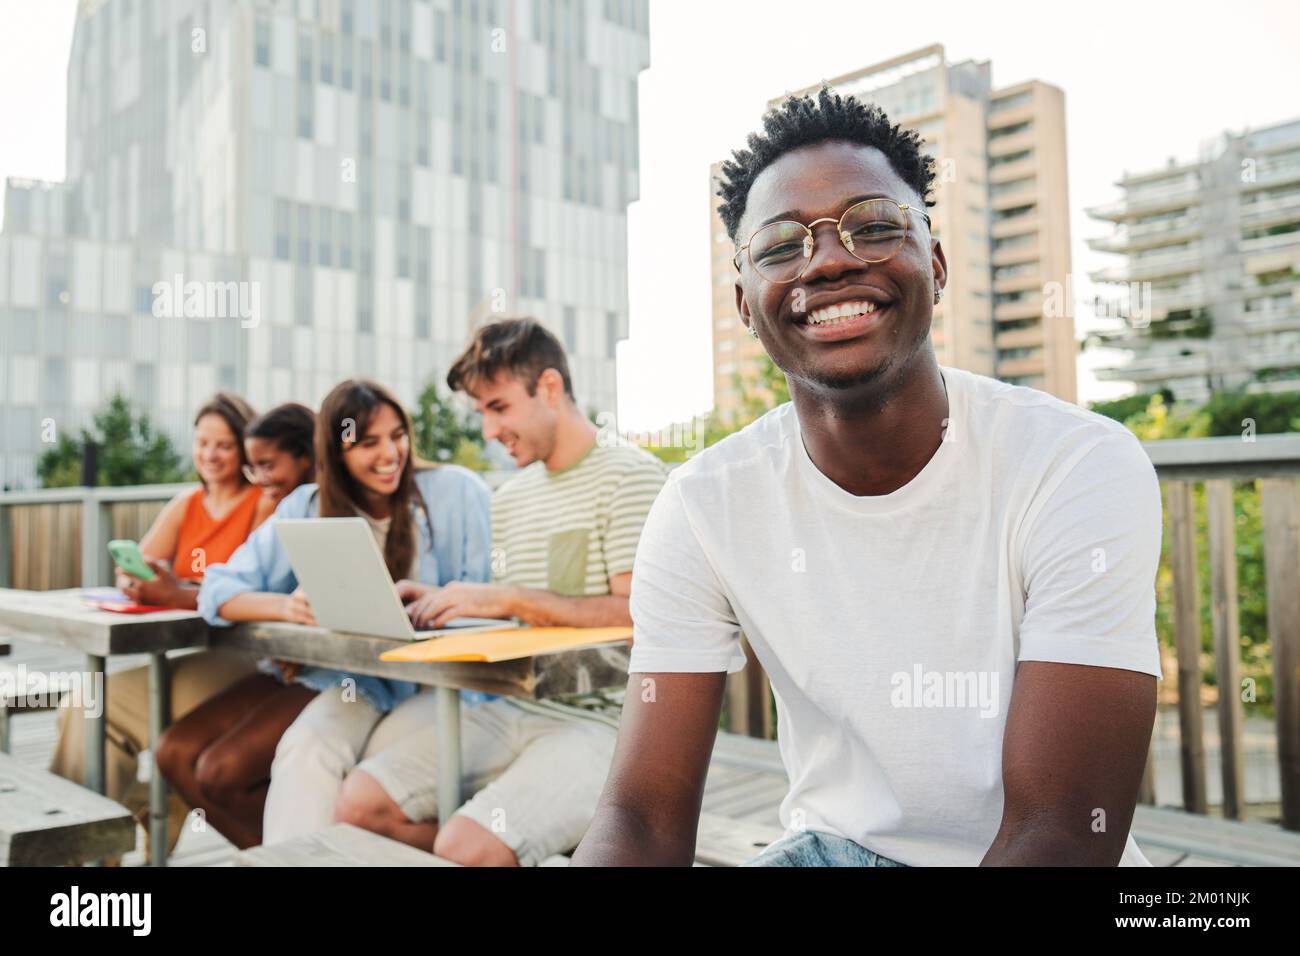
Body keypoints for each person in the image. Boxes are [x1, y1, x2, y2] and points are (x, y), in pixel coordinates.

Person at [572, 87, 1163, 868]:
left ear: (937, 264)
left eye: (876, 226)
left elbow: (1058, 830)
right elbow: (642, 819)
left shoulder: (1076, 464)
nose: (830, 258)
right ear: (746, 306)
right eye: (781, 246)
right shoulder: (702, 505)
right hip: (828, 852)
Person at [331, 318, 668, 867]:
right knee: (357, 803)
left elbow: (638, 618)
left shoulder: (631, 477)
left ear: (551, 389)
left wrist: (509, 597)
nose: (488, 430)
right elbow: (519, 618)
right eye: (481, 412)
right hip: (512, 708)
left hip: (604, 725)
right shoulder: (509, 497)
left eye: (499, 407)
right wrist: (446, 600)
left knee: (464, 846)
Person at [195, 379, 492, 847]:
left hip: (445, 685)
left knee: (369, 770)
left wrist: (437, 603)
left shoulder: (455, 492)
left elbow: (491, 600)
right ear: (335, 452)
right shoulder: (307, 507)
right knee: (304, 748)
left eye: (397, 436)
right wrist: (286, 606)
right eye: (368, 443)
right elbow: (218, 589)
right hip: (364, 684)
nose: (390, 453)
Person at [50, 392, 271, 849]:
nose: (210, 455)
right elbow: (140, 565)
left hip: (239, 657)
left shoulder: (261, 505)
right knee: (83, 708)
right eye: (202, 442)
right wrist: (137, 581)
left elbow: (256, 590)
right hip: (181, 650)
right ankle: (91, 843)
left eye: (223, 445)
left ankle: (87, 843)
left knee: (92, 708)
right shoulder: (186, 504)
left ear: (246, 449)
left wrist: (183, 590)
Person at [154, 403, 320, 849]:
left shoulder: (315, 506)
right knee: (171, 753)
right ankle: (273, 854)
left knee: (219, 771)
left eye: (267, 465)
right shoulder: (287, 509)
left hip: (320, 675)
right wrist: (283, 607)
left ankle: (292, 855)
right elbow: (219, 589)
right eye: (254, 467)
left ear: (306, 456)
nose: (260, 478)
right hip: (279, 665)